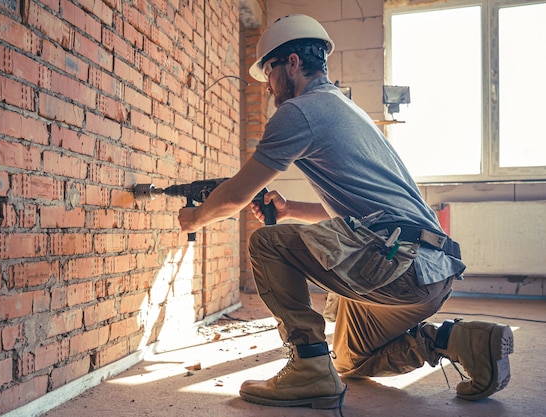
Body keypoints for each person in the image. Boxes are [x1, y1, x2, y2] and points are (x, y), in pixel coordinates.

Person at [178, 14, 513, 411]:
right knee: (351, 360)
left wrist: (195, 219)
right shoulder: (346, 109)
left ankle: (307, 367)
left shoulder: (299, 111)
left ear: (292, 64)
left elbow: (234, 195)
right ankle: (460, 341)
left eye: (268, 73)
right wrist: (289, 211)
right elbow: (366, 216)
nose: (268, 88)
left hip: (398, 266)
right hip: (431, 273)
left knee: (266, 244)